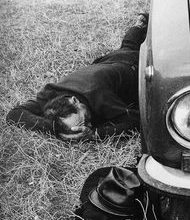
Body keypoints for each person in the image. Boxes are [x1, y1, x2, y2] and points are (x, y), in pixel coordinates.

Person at [6, 13, 148, 141]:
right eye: (85, 124)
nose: (89, 125)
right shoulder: (49, 95)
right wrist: (55, 129)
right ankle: (139, 25)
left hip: (133, 65)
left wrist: (95, 134)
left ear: (75, 101)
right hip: (106, 63)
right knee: (127, 47)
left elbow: (137, 120)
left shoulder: (98, 95)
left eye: (85, 120)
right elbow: (14, 114)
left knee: (134, 49)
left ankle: (140, 25)